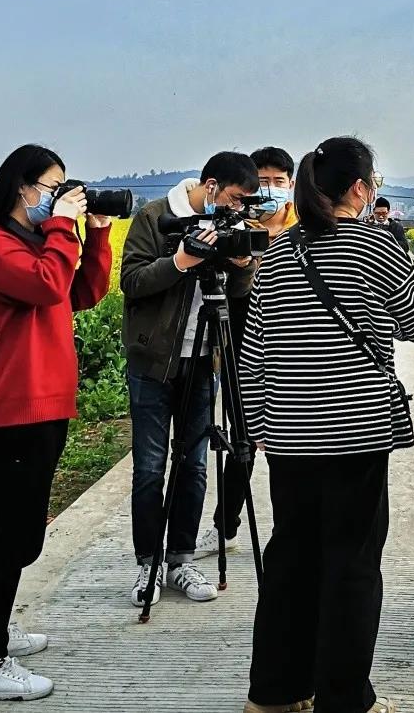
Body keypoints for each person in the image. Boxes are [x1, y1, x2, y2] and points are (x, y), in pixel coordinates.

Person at [240, 136, 414, 713]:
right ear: (360, 189)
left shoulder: (277, 252)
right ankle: (344, 700)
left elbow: (253, 350)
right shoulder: (373, 245)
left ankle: (274, 694)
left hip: (288, 437)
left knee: (290, 559)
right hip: (356, 434)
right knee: (350, 566)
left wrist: (258, 427)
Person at [0, 144, 113, 700]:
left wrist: (93, 233)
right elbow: (47, 283)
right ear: (21, 188)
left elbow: (83, 294)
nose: (58, 196)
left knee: (25, 531)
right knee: (9, 532)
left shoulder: (36, 245)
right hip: (14, 405)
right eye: (51, 186)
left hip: (49, 403)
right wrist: (64, 230)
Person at [120, 152, 259, 607]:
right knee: (150, 467)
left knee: (195, 463)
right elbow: (133, 282)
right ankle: (148, 563)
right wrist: (181, 260)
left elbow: (237, 297)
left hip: (203, 359)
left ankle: (181, 559)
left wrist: (241, 266)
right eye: (236, 199)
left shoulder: (229, 223)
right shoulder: (155, 216)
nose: (237, 210)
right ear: (212, 184)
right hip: (153, 361)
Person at [193, 146, 298, 560]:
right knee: (243, 437)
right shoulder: (229, 226)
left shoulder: (305, 231)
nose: (270, 189)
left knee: (293, 442)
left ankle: (293, 528)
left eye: (279, 180)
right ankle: (227, 525)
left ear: (291, 186)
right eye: (263, 180)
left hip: (292, 352)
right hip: (239, 348)